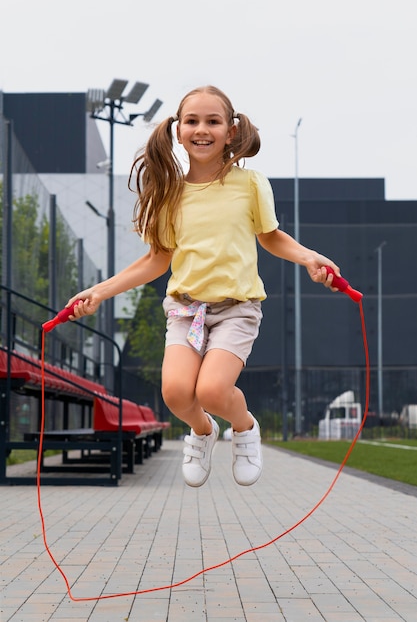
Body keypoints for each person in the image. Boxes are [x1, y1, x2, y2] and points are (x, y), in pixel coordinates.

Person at [67, 85, 340, 488]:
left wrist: (309, 257)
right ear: (178, 131)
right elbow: (156, 260)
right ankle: (204, 431)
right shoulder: (168, 193)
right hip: (186, 310)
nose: (202, 129)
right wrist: (100, 291)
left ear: (231, 131)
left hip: (237, 308)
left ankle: (244, 428)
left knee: (213, 391)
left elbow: (271, 236)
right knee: (177, 394)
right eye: (192, 121)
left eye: (213, 121)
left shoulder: (250, 184)